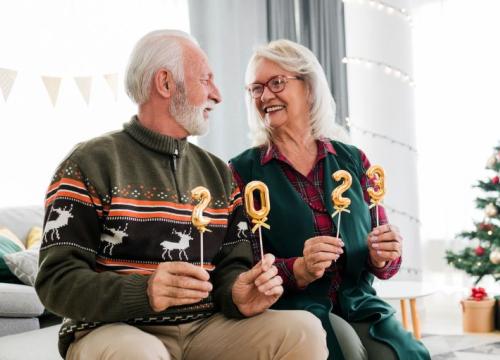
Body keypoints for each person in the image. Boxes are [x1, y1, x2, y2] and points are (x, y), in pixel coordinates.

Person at [35, 30, 328, 360]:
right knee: (139, 352)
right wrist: (144, 291)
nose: (217, 95)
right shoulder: (90, 163)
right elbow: (55, 282)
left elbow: (232, 267)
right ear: (165, 83)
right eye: (206, 80)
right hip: (112, 329)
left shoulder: (219, 173)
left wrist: (239, 294)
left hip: (204, 328)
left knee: (303, 330)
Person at [230, 39, 431, 360]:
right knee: (346, 352)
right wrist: (298, 269)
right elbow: (240, 268)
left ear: (308, 88)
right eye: (256, 89)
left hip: (359, 302)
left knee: (404, 354)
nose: (265, 96)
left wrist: (383, 255)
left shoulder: (353, 161)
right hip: (292, 308)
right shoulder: (241, 172)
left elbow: (383, 259)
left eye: (277, 83)